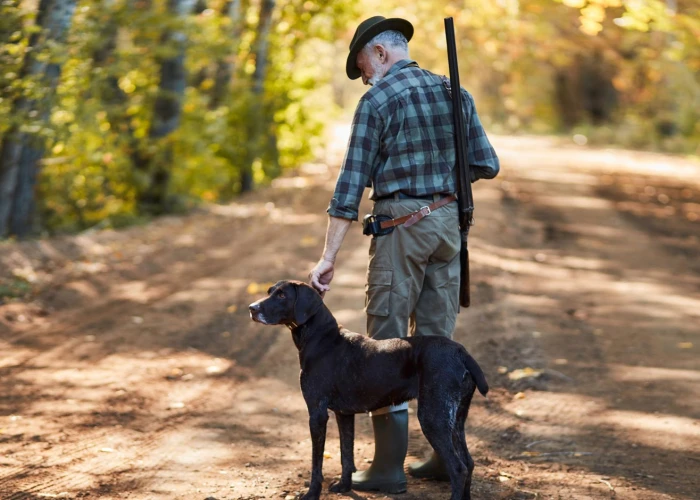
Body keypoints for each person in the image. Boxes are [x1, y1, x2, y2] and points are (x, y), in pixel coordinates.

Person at [308, 15, 500, 494]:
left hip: (400, 227)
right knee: (436, 342)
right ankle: (441, 457)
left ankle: (389, 467)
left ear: (379, 53)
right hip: (449, 226)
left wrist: (328, 256)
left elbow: (350, 184)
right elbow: (486, 164)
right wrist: (440, 188)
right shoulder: (457, 94)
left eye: (363, 66)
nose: (366, 77)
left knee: (386, 340)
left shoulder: (377, 101)